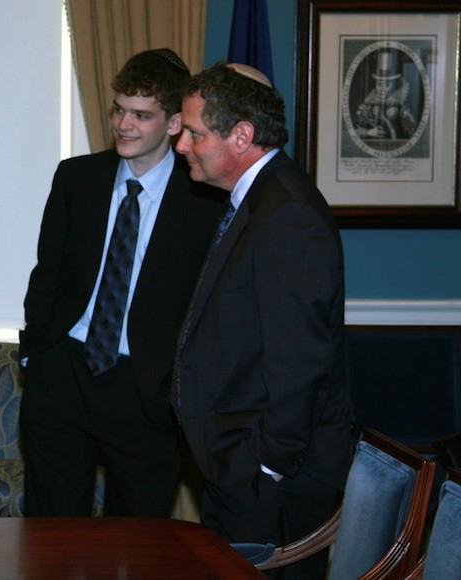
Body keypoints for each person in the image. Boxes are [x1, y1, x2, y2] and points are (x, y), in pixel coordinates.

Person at [19, 48, 224, 517]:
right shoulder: (77, 178)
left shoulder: (204, 201)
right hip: (63, 376)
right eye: (119, 110)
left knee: (137, 545)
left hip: (145, 389)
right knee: (51, 537)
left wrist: (172, 387)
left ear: (175, 123)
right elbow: (46, 272)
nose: (124, 124)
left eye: (141, 115)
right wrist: (36, 354)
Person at [173, 62, 354, 578]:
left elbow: (300, 365)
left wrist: (262, 471)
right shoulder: (258, 199)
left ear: (241, 136)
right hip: (238, 472)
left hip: (269, 486)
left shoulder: (287, 214)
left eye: (195, 132)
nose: (182, 144)